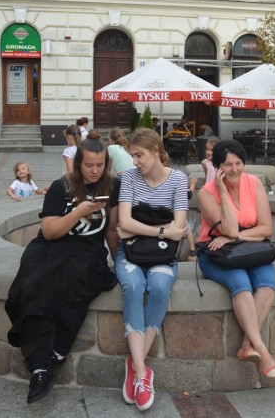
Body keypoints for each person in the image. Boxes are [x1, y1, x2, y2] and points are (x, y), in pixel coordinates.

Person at [5, 132, 120, 404]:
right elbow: (50, 230)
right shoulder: (62, 186)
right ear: (79, 163)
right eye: (89, 165)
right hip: (50, 245)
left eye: (100, 165)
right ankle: (43, 364)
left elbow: (112, 230)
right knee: (33, 281)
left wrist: (119, 262)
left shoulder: (113, 186)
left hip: (87, 250)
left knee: (78, 277)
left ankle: (52, 356)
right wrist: (79, 212)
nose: (94, 170)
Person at [115, 128, 189, 411]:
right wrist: (161, 230)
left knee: (158, 288)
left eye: (139, 155)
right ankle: (144, 374)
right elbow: (124, 222)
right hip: (130, 253)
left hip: (161, 257)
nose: (135, 162)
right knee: (133, 286)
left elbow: (180, 228)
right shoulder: (130, 178)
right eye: (132, 155)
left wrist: (143, 228)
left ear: (156, 151)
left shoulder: (178, 179)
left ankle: (134, 364)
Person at [198, 140, 275, 379]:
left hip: (250, 249)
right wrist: (222, 191)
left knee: (267, 286)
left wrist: (234, 238)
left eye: (239, 163)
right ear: (217, 166)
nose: (234, 169)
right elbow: (230, 229)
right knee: (242, 285)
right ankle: (263, 351)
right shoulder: (206, 193)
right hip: (216, 253)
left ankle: (247, 345)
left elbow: (265, 229)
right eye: (228, 164)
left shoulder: (254, 184)